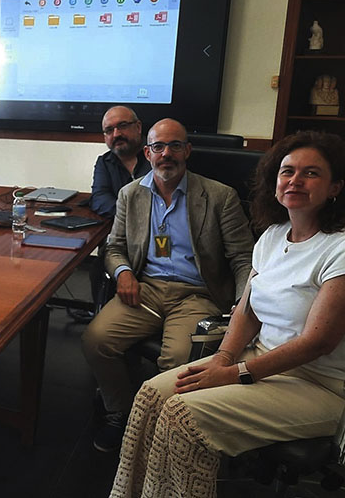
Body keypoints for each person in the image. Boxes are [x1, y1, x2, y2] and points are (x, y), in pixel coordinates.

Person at [110, 130, 345, 498]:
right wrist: (223, 357)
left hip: (318, 384)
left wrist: (235, 373)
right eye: (287, 171)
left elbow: (318, 342)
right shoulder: (272, 236)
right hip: (259, 357)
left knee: (181, 416)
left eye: (311, 173)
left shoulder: (339, 249)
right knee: (151, 396)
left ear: (335, 188)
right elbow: (247, 311)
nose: (295, 180)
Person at [82, 118, 253, 452]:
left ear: (187, 150)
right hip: (145, 289)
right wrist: (123, 273)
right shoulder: (130, 194)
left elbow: (243, 258)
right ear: (147, 153)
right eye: (158, 147)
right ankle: (122, 412)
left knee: (178, 359)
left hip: (197, 294)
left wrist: (241, 305)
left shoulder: (219, 196)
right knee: (96, 340)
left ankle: (161, 427)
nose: (166, 154)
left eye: (175, 145)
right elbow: (114, 248)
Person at [90, 105, 151, 218]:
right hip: (120, 223)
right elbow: (99, 199)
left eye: (123, 126)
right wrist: (130, 216)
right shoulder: (104, 162)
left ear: (138, 127)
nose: (116, 134)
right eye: (109, 130)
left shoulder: (157, 156)